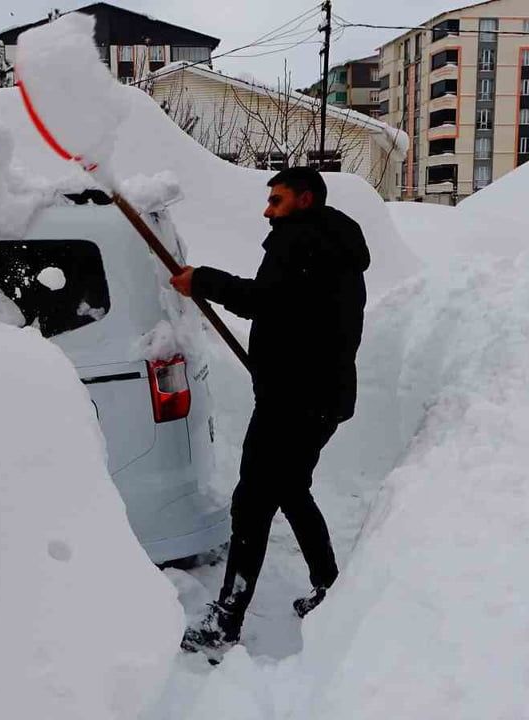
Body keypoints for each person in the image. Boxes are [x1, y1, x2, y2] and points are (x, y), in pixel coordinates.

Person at [169, 166, 369, 652]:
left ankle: (226, 620)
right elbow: (299, 315)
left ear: (304, 199)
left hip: (293, 401)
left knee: (253, 503)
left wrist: (203, 280)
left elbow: (266, 301)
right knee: (293, 491)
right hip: (323, 397)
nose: (267, 210)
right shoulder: (337, 243)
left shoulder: (300, 240)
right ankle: (329, 587)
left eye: (276, 201)